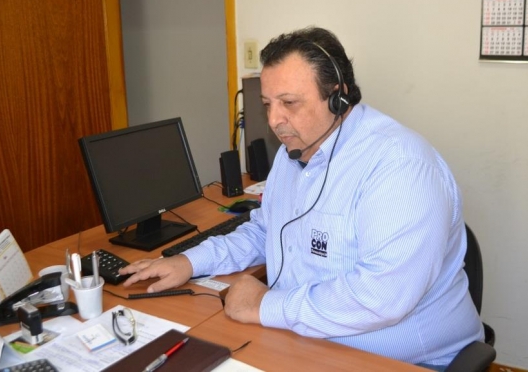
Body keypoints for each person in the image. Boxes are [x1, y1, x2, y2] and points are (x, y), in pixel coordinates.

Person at [120, 26, 484, 370]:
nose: (275, 120)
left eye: (289, 103)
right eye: (267, 104)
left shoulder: (400, 167)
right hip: (310, 341)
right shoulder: (294, 152)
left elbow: (382, 297)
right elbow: (267, 231)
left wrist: (265, 304)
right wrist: (189, 261)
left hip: (406, 360)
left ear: (338, 98)